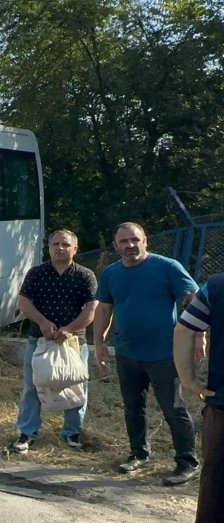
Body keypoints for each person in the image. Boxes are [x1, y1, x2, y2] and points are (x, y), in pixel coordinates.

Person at [93, 222, 200, 486]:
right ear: (116, 245)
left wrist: (200, 336)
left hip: (164, 353)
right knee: (133, 407)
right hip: (127, 352)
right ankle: (138, 454)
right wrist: (99, 342)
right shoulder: (111, 273)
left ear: (145, 240)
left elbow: (195, 300)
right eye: (124, 241)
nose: (130, 245)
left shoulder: (167, 267)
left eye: (134, 239)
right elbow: (104, 309)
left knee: (173, 408)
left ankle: (187, 462)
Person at [12, 229, 98, 453]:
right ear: (48, 248)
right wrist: (42, 321)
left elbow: (91, 309)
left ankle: (73, 433)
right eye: (56, 244)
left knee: (76, 386)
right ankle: (27, 433)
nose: (60, 248)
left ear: (75, 249)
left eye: (66, 244)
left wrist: (70, 329)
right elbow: (23, 302)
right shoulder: (36, 273)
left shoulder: (85, 275)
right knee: (32, 387)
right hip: (40, 340)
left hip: (73, 342)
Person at [174, 274, 223, 521]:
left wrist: (188, 379)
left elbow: (184, 329)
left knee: (217, 483)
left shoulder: (217, 286)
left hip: (222, 405)